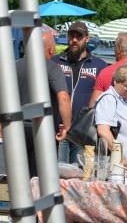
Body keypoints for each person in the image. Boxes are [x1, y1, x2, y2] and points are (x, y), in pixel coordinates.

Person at [15, 31, 72, 176]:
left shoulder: (14, 67)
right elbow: (63, 97)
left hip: (17, 129)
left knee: (19, 179)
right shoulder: (52, 68)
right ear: (50, 49)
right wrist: (67, 126)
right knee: (42, 180)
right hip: (42, 129)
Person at [53, 21, 108, 163]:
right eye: (71, 36)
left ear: (87, 38)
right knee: (58, 174)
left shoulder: (99, 65)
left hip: (83, 131)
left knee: (79, 175)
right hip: (59, 129)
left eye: (79, 36)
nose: (75, 40)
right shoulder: (56, 62)